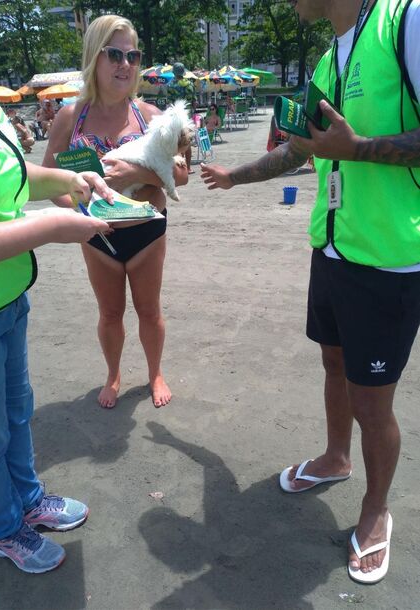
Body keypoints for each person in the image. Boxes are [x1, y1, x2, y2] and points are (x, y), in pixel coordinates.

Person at [201, 0, 420, 585]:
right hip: (331, 245)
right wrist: (234, 174)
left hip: (389, 258)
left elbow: (352, 146)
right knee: (332, 363)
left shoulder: (406, 22)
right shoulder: (327, 59)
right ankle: (336, 457)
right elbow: (300, 149)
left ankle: (376, 512)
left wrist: (359, 148)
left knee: (373, 399)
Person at [0, 0, 115, 574]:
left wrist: (67, 179)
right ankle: (3, 529)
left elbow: (4, 170)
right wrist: (49, 226)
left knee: (17, 411)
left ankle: (26, 501)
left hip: (5, 298)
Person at [42, 15, 189, 409]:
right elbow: (49, 180)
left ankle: (155, 372)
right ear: (95, 57)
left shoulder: (151, 116)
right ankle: (114, 374)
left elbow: (182, 175)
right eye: (114, 54)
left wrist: (137, 171)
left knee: (149, 311)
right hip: (96, 236)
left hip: (146, 234)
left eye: (133, 55)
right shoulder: (70, 118)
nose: (125, 64)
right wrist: (75, 207)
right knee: (109, 314)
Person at [167, 62, 196, 173]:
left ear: (174, 72)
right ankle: (188, 167)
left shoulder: (170, 85)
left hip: (175, 117)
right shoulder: (190, 84)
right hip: (187, 117)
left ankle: (180, 167)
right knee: (187, 141)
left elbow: (169, 104)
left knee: (177, 141)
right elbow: (193, 102)